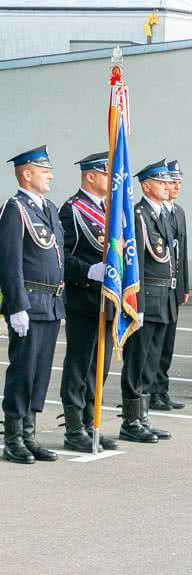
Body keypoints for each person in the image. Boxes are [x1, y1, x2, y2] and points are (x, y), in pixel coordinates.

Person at [0, 145, 65, 463]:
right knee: (23, 371)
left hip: (51, 303)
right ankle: (13, 438)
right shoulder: (14, 209)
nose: (50, 175)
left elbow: (57, 255)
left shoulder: (49, 208)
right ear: (27, 174)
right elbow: (9, 261)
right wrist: (16, 305)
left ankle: (29, 434)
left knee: (40, 373)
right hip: (29, 303)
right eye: (44, 170)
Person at [58, 151, 118, 452]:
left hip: (107, 300)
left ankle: (91, 422)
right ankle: (73, 428)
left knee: (100, 366)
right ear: (90, 176)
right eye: (105, 173)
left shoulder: (111, 210)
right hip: (83, 299)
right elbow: (61, 257)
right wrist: (88, 271)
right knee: (79, 364)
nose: (111, 178)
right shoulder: (72, 210)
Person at [120, 159, 175, 442]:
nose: (167, 186)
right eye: (161, 182)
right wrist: (137, 304)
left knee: (151, 362)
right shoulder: (139, 215)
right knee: (137, 362)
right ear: (146, 186)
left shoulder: (162, 214)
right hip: (147, 299)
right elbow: (136, 265)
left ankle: (142, 416)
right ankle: (130, 421)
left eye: (167, 181)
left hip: (163, 299)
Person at [150, 159, 188, 411]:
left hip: (172, 287)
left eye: (177, 182)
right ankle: (152, 392)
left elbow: (181, 253)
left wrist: (183, 286)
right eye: (171, 182)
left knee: (167, 344)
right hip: (156, 287)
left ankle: (161, 389)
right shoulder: (152, 213)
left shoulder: (178, 212)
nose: (175, 186)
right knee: (153, 345)